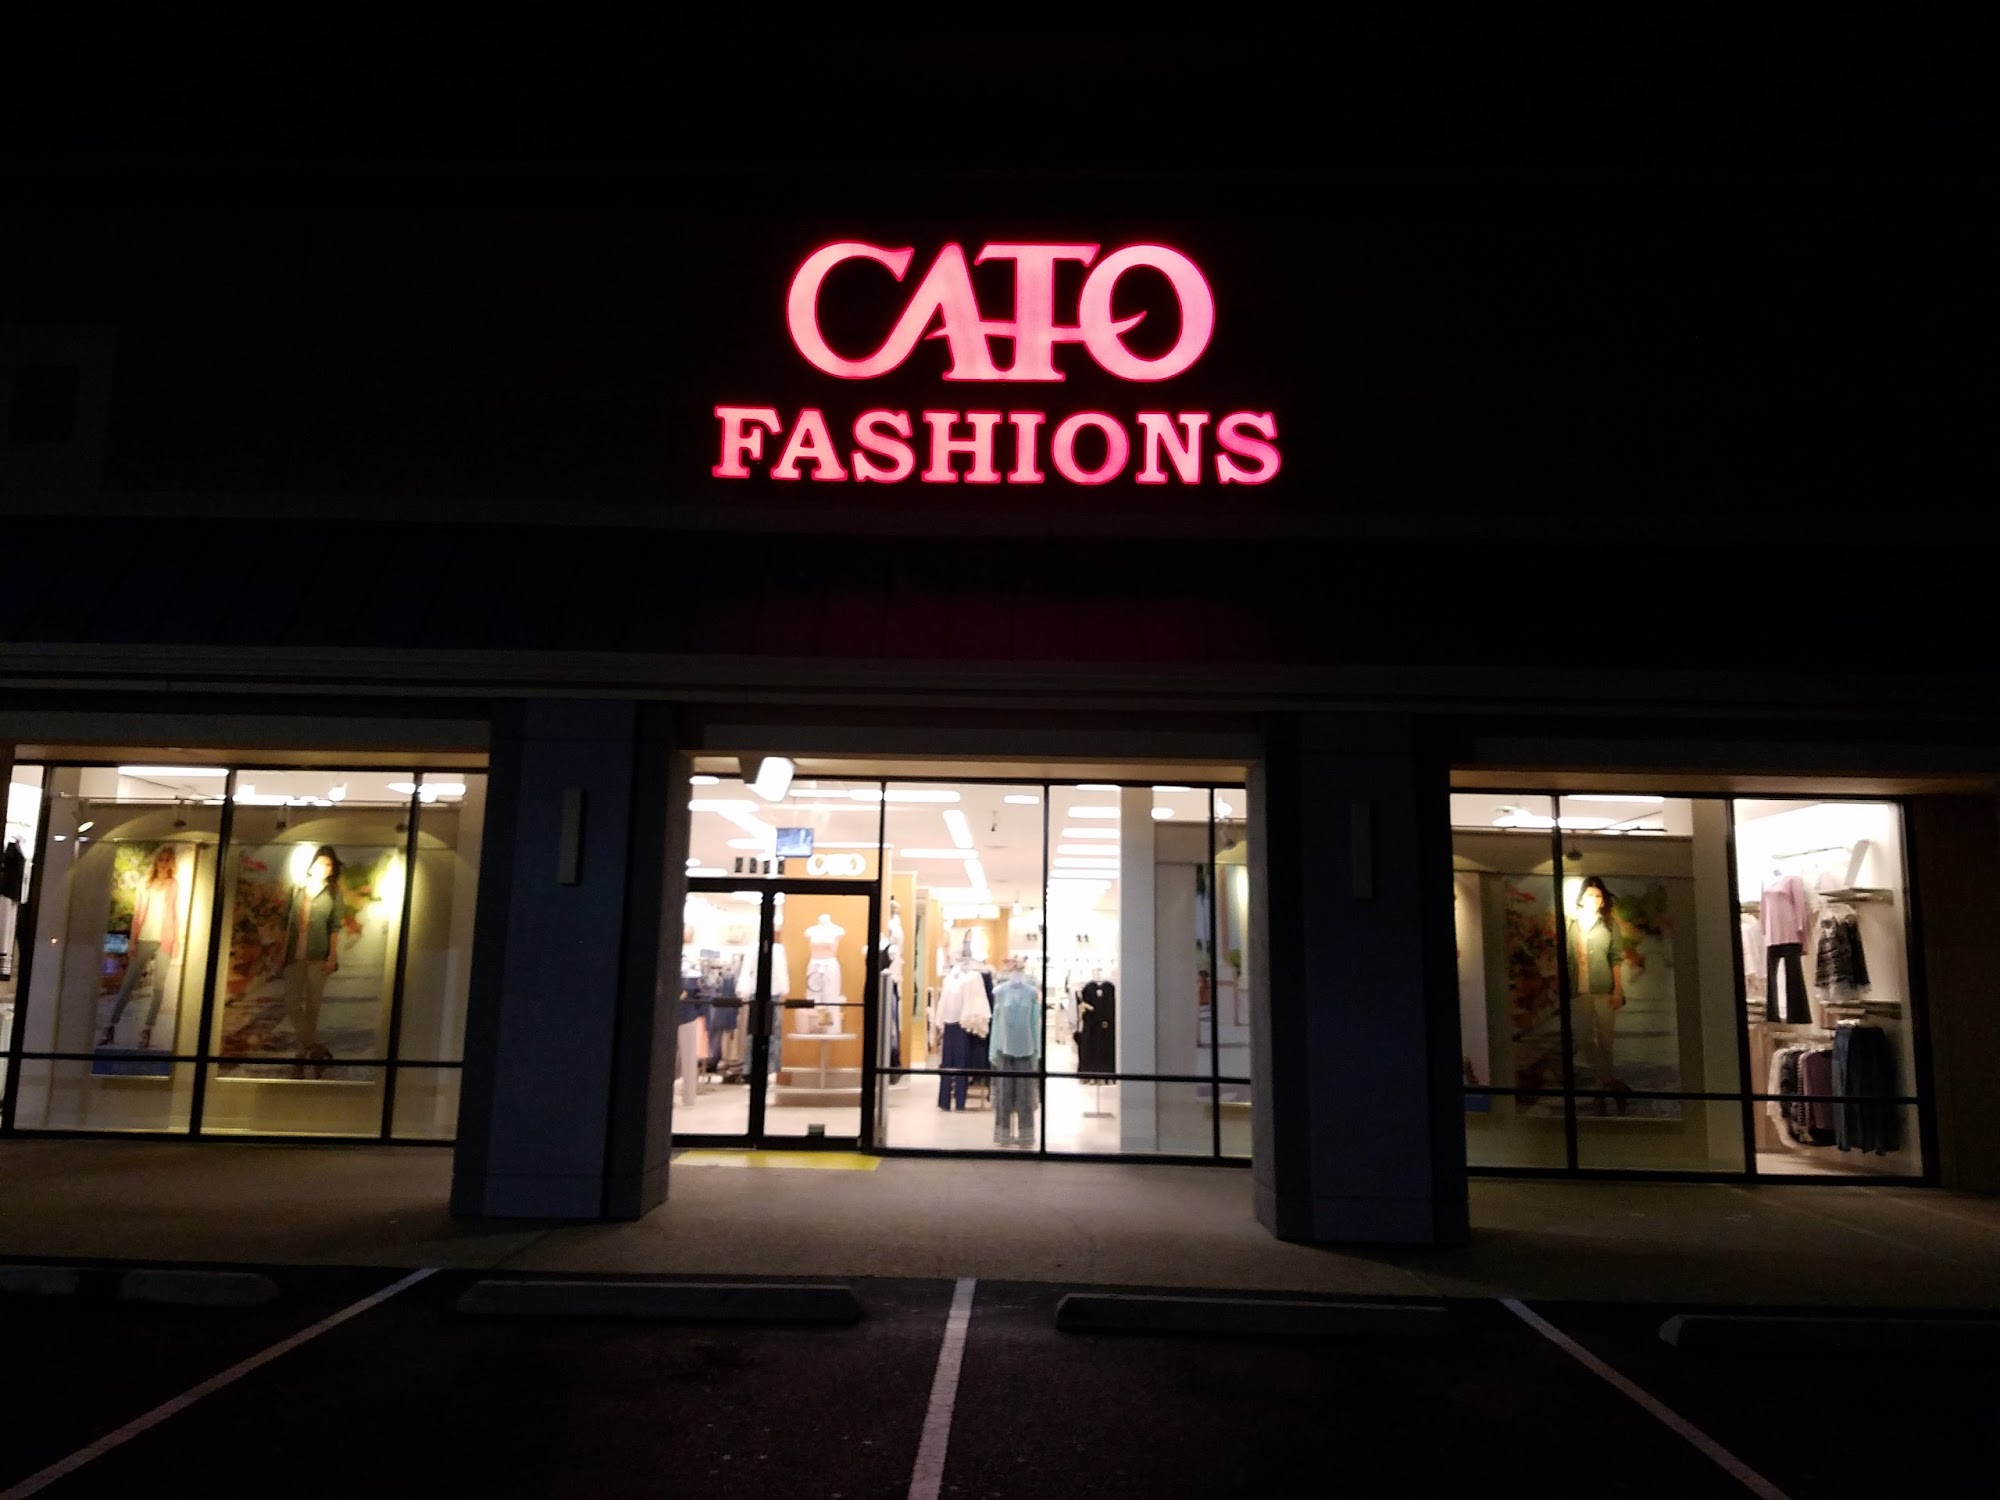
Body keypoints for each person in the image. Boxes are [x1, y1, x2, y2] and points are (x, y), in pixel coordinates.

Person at [99, 845, 181, 1049]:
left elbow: (174, 912)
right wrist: (133, 941)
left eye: (167, 860)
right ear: (156, 861)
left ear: (171, 863)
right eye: (161, 859)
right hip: (145, 937)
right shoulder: (146, 883)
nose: (163, 864)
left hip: (164, 940)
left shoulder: (173, 884)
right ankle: (110, 1026)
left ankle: (147, 1029)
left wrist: (176, 940)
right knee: (128, 984)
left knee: (159, 987)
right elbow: (137, 914)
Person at [281, 846, 346, 1077]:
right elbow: (286, 922)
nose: (324, 868)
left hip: (318, 955)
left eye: (329, 865)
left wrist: (332, 956)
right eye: (320, 863)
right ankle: (314, 1048)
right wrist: (281, 952)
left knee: (313, 1007)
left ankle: (302, 1053)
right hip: (294, 954)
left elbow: (334, 927)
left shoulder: (334, 893)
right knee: (292, 1004)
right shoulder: (297, 888)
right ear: (311, 865)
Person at [1571, 875, 1628, 1108]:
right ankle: (1610, 1083)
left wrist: (1618, 990)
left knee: (1606, 1040)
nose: (1593, 899)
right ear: (1581, 898)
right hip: (1579, 990)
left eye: (1598, 895)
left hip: (1604, 988)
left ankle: (1600, 1089)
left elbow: (1616, 958)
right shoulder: (1572, 924)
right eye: (1589, 894)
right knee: (1583, 1038)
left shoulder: (1609, 925)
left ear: (1603, 900)